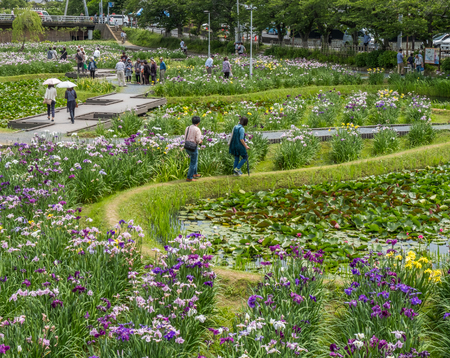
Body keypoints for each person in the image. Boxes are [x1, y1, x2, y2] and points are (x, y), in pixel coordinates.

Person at [184, 116, 202, 182]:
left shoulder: (187, 128)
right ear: (198, 122)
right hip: (193, 147)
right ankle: (189, 177)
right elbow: (197, 140)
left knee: (194, 160)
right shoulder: (197, 129)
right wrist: (200, 141)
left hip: (187, 146)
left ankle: (194, 173)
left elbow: (185, 137)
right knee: (193, 162)